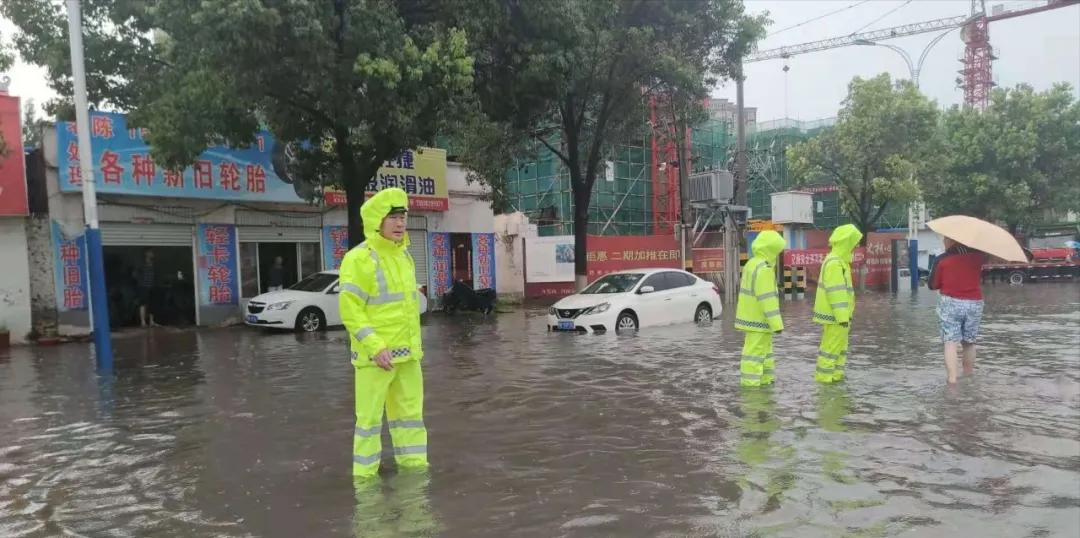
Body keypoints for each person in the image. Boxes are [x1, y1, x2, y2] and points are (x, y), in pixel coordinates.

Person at [339, 188, 427, 478]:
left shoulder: (404, 257)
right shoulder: (358, 259)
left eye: (402, 216)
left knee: (410, 420)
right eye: (393, 217)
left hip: (407, 357)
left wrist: (414, 349)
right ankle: (365, 486)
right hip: (375, 359)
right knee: (369, 423)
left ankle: (415, 478)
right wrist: (375, 346)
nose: (400, 223)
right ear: (377, 220)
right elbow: (351, 310)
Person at [928, 237, 986, 384]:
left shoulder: (942, 259)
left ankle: (952, 380)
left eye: (945, 239)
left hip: (951, 302)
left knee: (950, 343)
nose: (943, 241)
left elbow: (932, 285)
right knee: (969, 342)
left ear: (951, 241)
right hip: (975, 303)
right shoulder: (979, 257)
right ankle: (968, 376)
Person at [812, 224, 863, 383]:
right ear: (847, 243)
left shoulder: (839, 262)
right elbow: (836, 292)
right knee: (831, 349)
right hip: (836, 318)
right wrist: (842, 317)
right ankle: (825, 380)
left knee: (839, 349)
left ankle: (835, 378)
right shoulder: (835, 263)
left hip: (841, 318)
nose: (857, 246)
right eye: (854, 242)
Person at [735, 230, 786, 387]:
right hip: (760, 321)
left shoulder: (752, 264)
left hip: (752, 319)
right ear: (771, 250)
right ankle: (752, 388)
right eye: (777, 251)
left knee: (763, 353)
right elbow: (767, 299)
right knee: (755, 355)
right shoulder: (764, 269)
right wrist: (777, 325)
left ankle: (765, 382)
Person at [137, 248, 157, 327]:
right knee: (143, 304)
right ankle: (143, 322)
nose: (153, 254)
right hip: (143, 287)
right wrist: (140, 283)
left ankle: (151, 321)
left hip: (152, 287)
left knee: (152, 304)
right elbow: (136, 274)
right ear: (147, 254)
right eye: (151, 253)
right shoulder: (142, 265)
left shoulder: (154, 265)